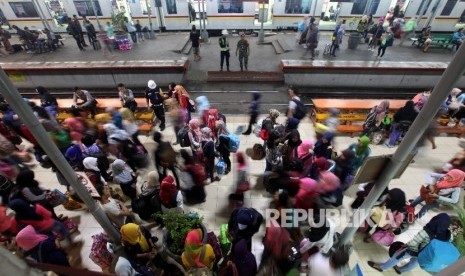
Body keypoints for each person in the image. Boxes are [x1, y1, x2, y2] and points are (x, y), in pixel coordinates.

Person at [368, 213, 452, 274]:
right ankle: (400, 270)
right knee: (414, 262)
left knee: (397, 257)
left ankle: (382, 267)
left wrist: (403, 247)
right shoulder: (448, 235)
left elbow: (413, 243)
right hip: (426, 254)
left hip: (414, 251)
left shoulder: (427, 231)